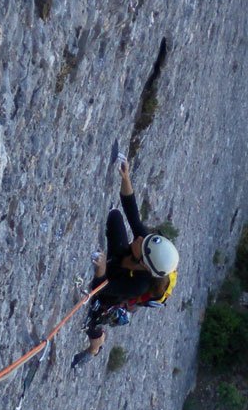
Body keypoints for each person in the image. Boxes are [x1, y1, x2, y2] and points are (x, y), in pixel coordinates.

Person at [71, 154, 178, 368]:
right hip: (120, 262)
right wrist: (126, 177)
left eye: (142, 243)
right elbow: (132, 214)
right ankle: (109, 264)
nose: (139, 238)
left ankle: (95, 347)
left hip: (112, 292)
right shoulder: (145, 246)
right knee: (115, 217)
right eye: (143, 238)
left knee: (94, 313)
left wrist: (101, 270)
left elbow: (100, 289)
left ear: (144, 263)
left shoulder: (139, 285)